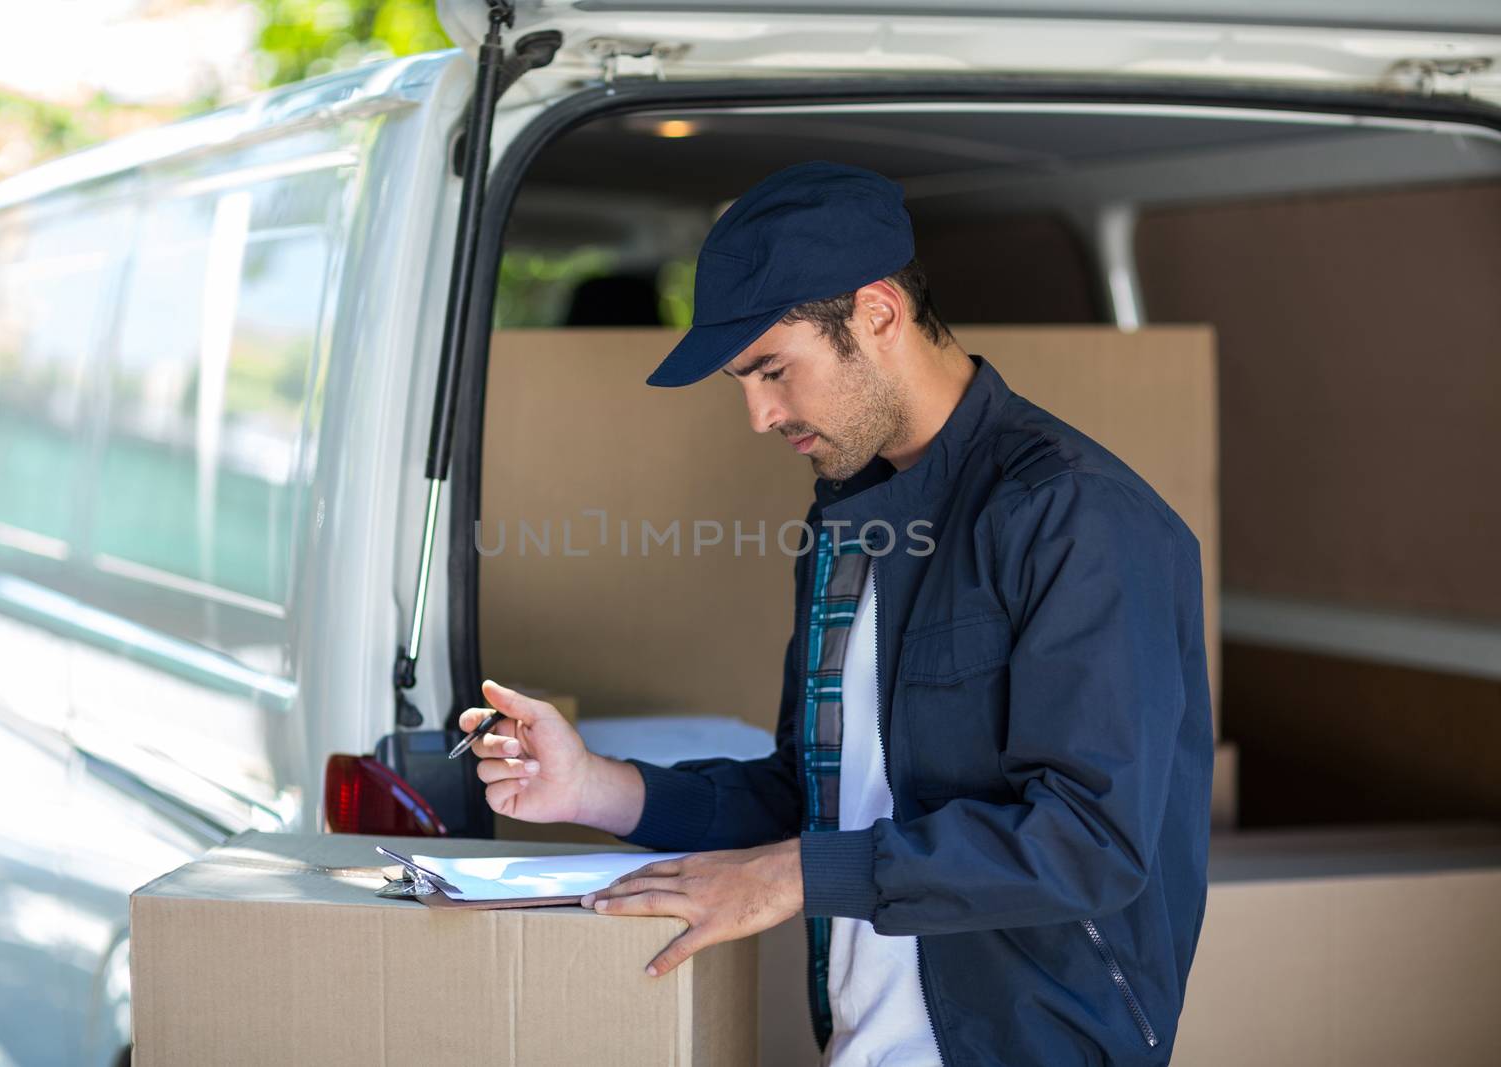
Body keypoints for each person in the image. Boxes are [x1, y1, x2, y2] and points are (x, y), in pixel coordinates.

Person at [460, 161, 1213, 1067]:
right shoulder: (847, 520)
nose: (759, 414)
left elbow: (1089, 842)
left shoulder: (1076, 516)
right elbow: (814, 794)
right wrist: (594, 787)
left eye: (773, 369)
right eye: (744, 379)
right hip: (865, 1043)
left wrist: (788, 877)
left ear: (879, 314)